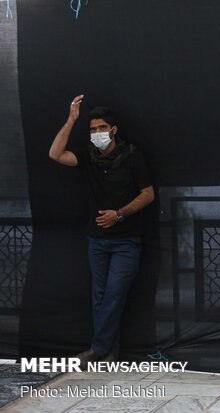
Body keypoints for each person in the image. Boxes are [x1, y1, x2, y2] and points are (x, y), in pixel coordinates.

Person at [49, 95, 154, 368]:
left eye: (102, 128)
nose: (97, 134)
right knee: (99, 298)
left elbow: (148, 194)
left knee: (114, 294)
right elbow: (55, 154)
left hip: (126, 240)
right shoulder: (88, 156)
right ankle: (109, 353)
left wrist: (118, 215)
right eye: (93, 129)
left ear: (114, 129)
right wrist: (71, 119)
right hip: (96, 240)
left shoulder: (132, 154)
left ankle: (96, 349)